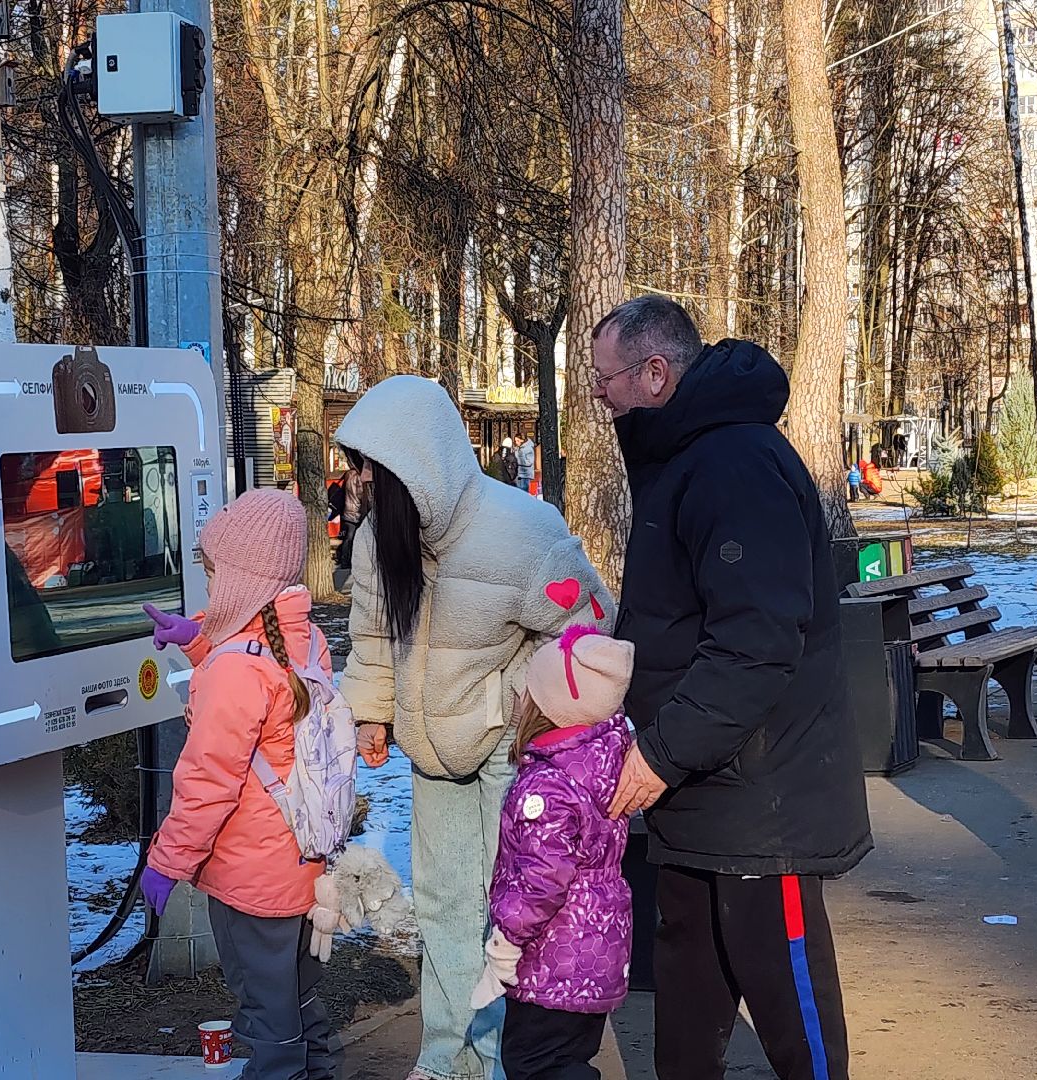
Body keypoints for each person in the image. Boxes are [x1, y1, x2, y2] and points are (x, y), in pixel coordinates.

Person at [595, 295, 869, 1079]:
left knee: (787, 995)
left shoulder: (733, 463)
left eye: (604, 380)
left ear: (654, 373)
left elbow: (756, 642)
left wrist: (663, 752)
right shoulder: (682, 458)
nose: (599, 398)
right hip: (699, 790)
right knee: (689, 985)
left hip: (760, 795)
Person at [335, 375, 612, 1080]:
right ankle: (446, 1055)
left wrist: (520, 705)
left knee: (506, 910)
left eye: (371, 467)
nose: (360, 481)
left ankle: (496, 1061)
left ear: (417, 465)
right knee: (442, 906)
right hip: (429, 749)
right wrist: (372, 712)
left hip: (505, 753)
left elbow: (589, 630)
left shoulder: (523, 532)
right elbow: (372, 634)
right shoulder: (378, 540)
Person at [135, 490, 343, 1079]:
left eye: (212, 572)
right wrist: (197, 641)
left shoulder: (236, 668)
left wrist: (166, 862)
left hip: (249, 875)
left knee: (266, 1013)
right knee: (297, 996)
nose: (208, 585)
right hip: (298, 862)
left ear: (241, 579)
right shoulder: (305, 638)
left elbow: (208, 781)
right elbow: (260, 678)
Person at [470, 627, 636, 1080]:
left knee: (533, 1063)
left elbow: (541, 879)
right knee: (568, 1059)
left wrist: (507, 941)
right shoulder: (606, 764)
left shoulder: (547, 787)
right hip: (596, 952)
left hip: (552, 958)